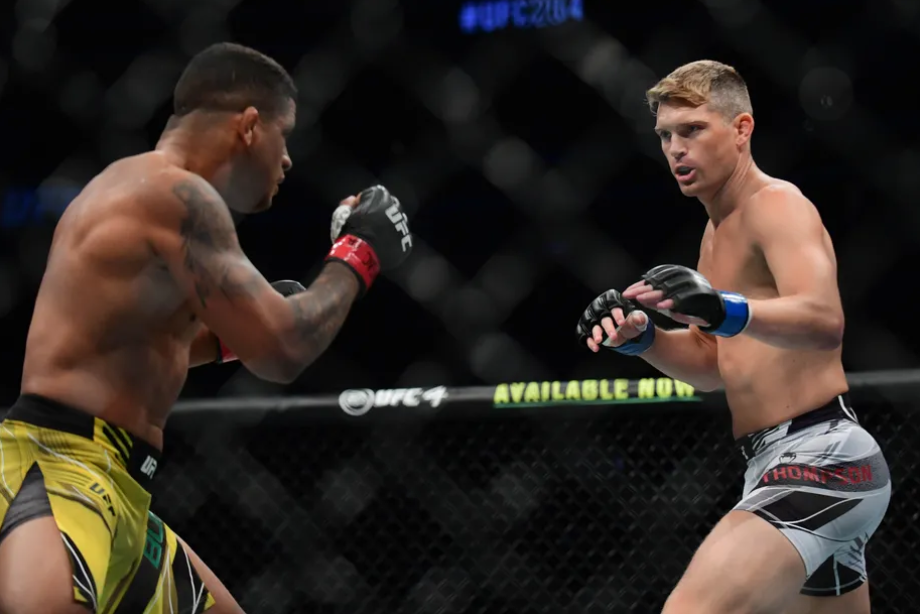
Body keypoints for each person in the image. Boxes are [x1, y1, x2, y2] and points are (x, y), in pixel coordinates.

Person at [0, 42, 412, 614]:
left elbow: (139, 343)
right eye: (284, 135)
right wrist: (358, 252)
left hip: (120, 486)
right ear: (249, 125)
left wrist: (237, 332)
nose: (288, 160)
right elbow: (283, 349)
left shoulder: (136, 190)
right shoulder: (173, 194)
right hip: (59, 472)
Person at [576, 60, 890, 614]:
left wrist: (725, 309)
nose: (676, 149)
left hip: (820, 459)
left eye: (693, 130)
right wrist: (643, 338)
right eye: (665, 136)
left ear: (742, 128)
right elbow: (712, 363)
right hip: (772, 462)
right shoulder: (714, 233)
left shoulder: (777, 205)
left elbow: (824, 320)